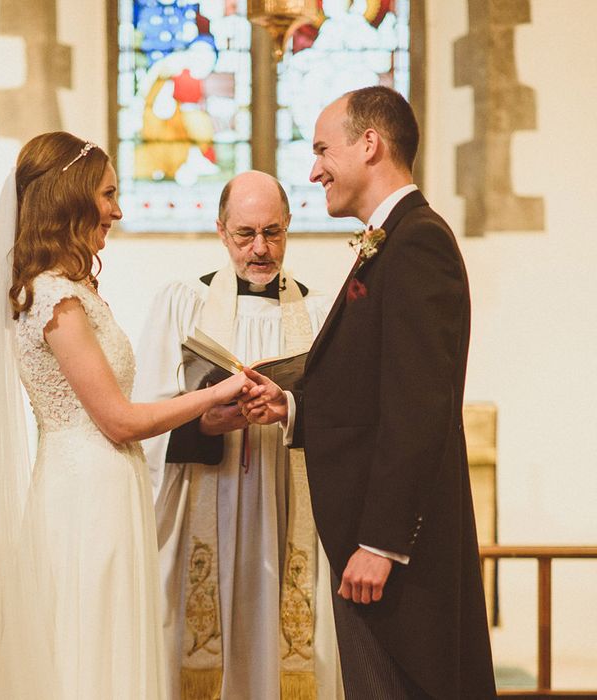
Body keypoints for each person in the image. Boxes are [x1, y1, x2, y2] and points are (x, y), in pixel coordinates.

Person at [0, 132, 251, 700]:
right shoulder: (54, 298)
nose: (118, 210)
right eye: (108, 194)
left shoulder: (69, 290)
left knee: (106, 639)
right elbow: (117, 421)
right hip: (85, 496)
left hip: (100, 485)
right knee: (89, 648)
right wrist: (217, 393)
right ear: (71, 196)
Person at [241, 87, 496, 699]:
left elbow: (419, 406)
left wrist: (380, 543)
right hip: (370, 545)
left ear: (370, 144)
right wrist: (293, 404)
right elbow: (372, 388)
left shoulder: (417, 242)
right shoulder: (392, 241)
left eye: (324, 149)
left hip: (391, 558)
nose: (314, 169)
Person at [133, 170, 344, 699]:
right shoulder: (182, 305)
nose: (259, 249)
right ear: (220, 230)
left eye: (272, 233)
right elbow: (145, 417)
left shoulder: (319, 314)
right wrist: (202, 423)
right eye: (244, 234)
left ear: (290, 226)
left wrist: (289, 407)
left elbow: (344, 418)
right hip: (207, 496)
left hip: (289, 500)